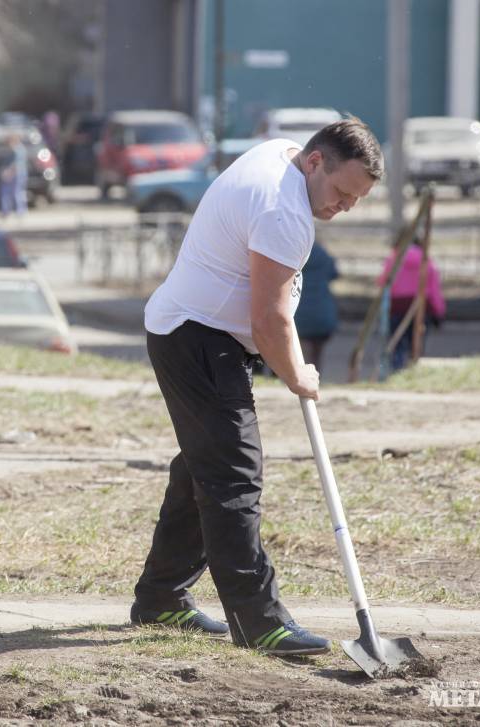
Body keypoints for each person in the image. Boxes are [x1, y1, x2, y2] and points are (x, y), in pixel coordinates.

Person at [134, 118, 383, 655]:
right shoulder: (283, 212)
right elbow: (270, 321)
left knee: (204, 468)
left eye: (357, 199)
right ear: (315, 162)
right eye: (343, 192)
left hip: (192, 331)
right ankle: (258, 619)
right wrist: (299, 375)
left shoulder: (282, 153)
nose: (346, 207)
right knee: (233, 475)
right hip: (198, 338)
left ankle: (160, 599)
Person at [377, 240, 446, 371]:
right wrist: (439, 311)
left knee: (396, 344)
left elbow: (383, 283)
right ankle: (412, 371)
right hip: (420, 308)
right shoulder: (426, 262)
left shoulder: (393, 260)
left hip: (396, 307)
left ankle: (397, 372)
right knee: (416, 346)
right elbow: (434, 290)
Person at [294, 241, 340, 372]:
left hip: (299, 312)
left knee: (301, 352)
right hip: (322, 312)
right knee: (317, 353)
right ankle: (316, 378)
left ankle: (301, 379)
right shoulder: (323, 255)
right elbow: (334, 274)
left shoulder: (294, 254)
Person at [0, 131, 28, 218]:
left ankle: (20, 212)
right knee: (7, 193)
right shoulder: (14, 149)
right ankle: (6, 211)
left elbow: (16, 164)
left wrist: (8, 173)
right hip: (14, 174)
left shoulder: (18, 149)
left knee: (17, 193)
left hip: (16, 174)